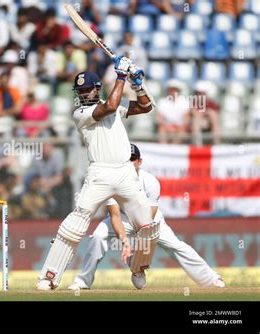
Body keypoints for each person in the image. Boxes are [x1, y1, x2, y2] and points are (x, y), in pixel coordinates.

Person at [37, 54, 157, 290]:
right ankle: (49, 276)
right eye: (80, 91)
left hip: (125, 171)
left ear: (98, 89)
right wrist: (121, 75)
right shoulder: (80, 114)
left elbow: (146, 106)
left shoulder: (114, 107)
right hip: (99, 174)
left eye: (88, 90)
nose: (83, 95)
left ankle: (138, 267)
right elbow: (110, 105)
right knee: (76, 223)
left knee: (148, 227)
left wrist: (138, 85)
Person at [68, 144, 226, 290]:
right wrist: (124, 241)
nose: (129, 163)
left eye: (133, 159)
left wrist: (139, 247)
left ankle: (210, 280)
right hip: (123, 218)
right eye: (125, 160)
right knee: (97, 236)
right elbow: (115, 215)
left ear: (139, 161)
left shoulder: (150, 182)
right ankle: (83, 282)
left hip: (151, 219)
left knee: (176, 246)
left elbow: (148, 217)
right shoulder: (112, 183)